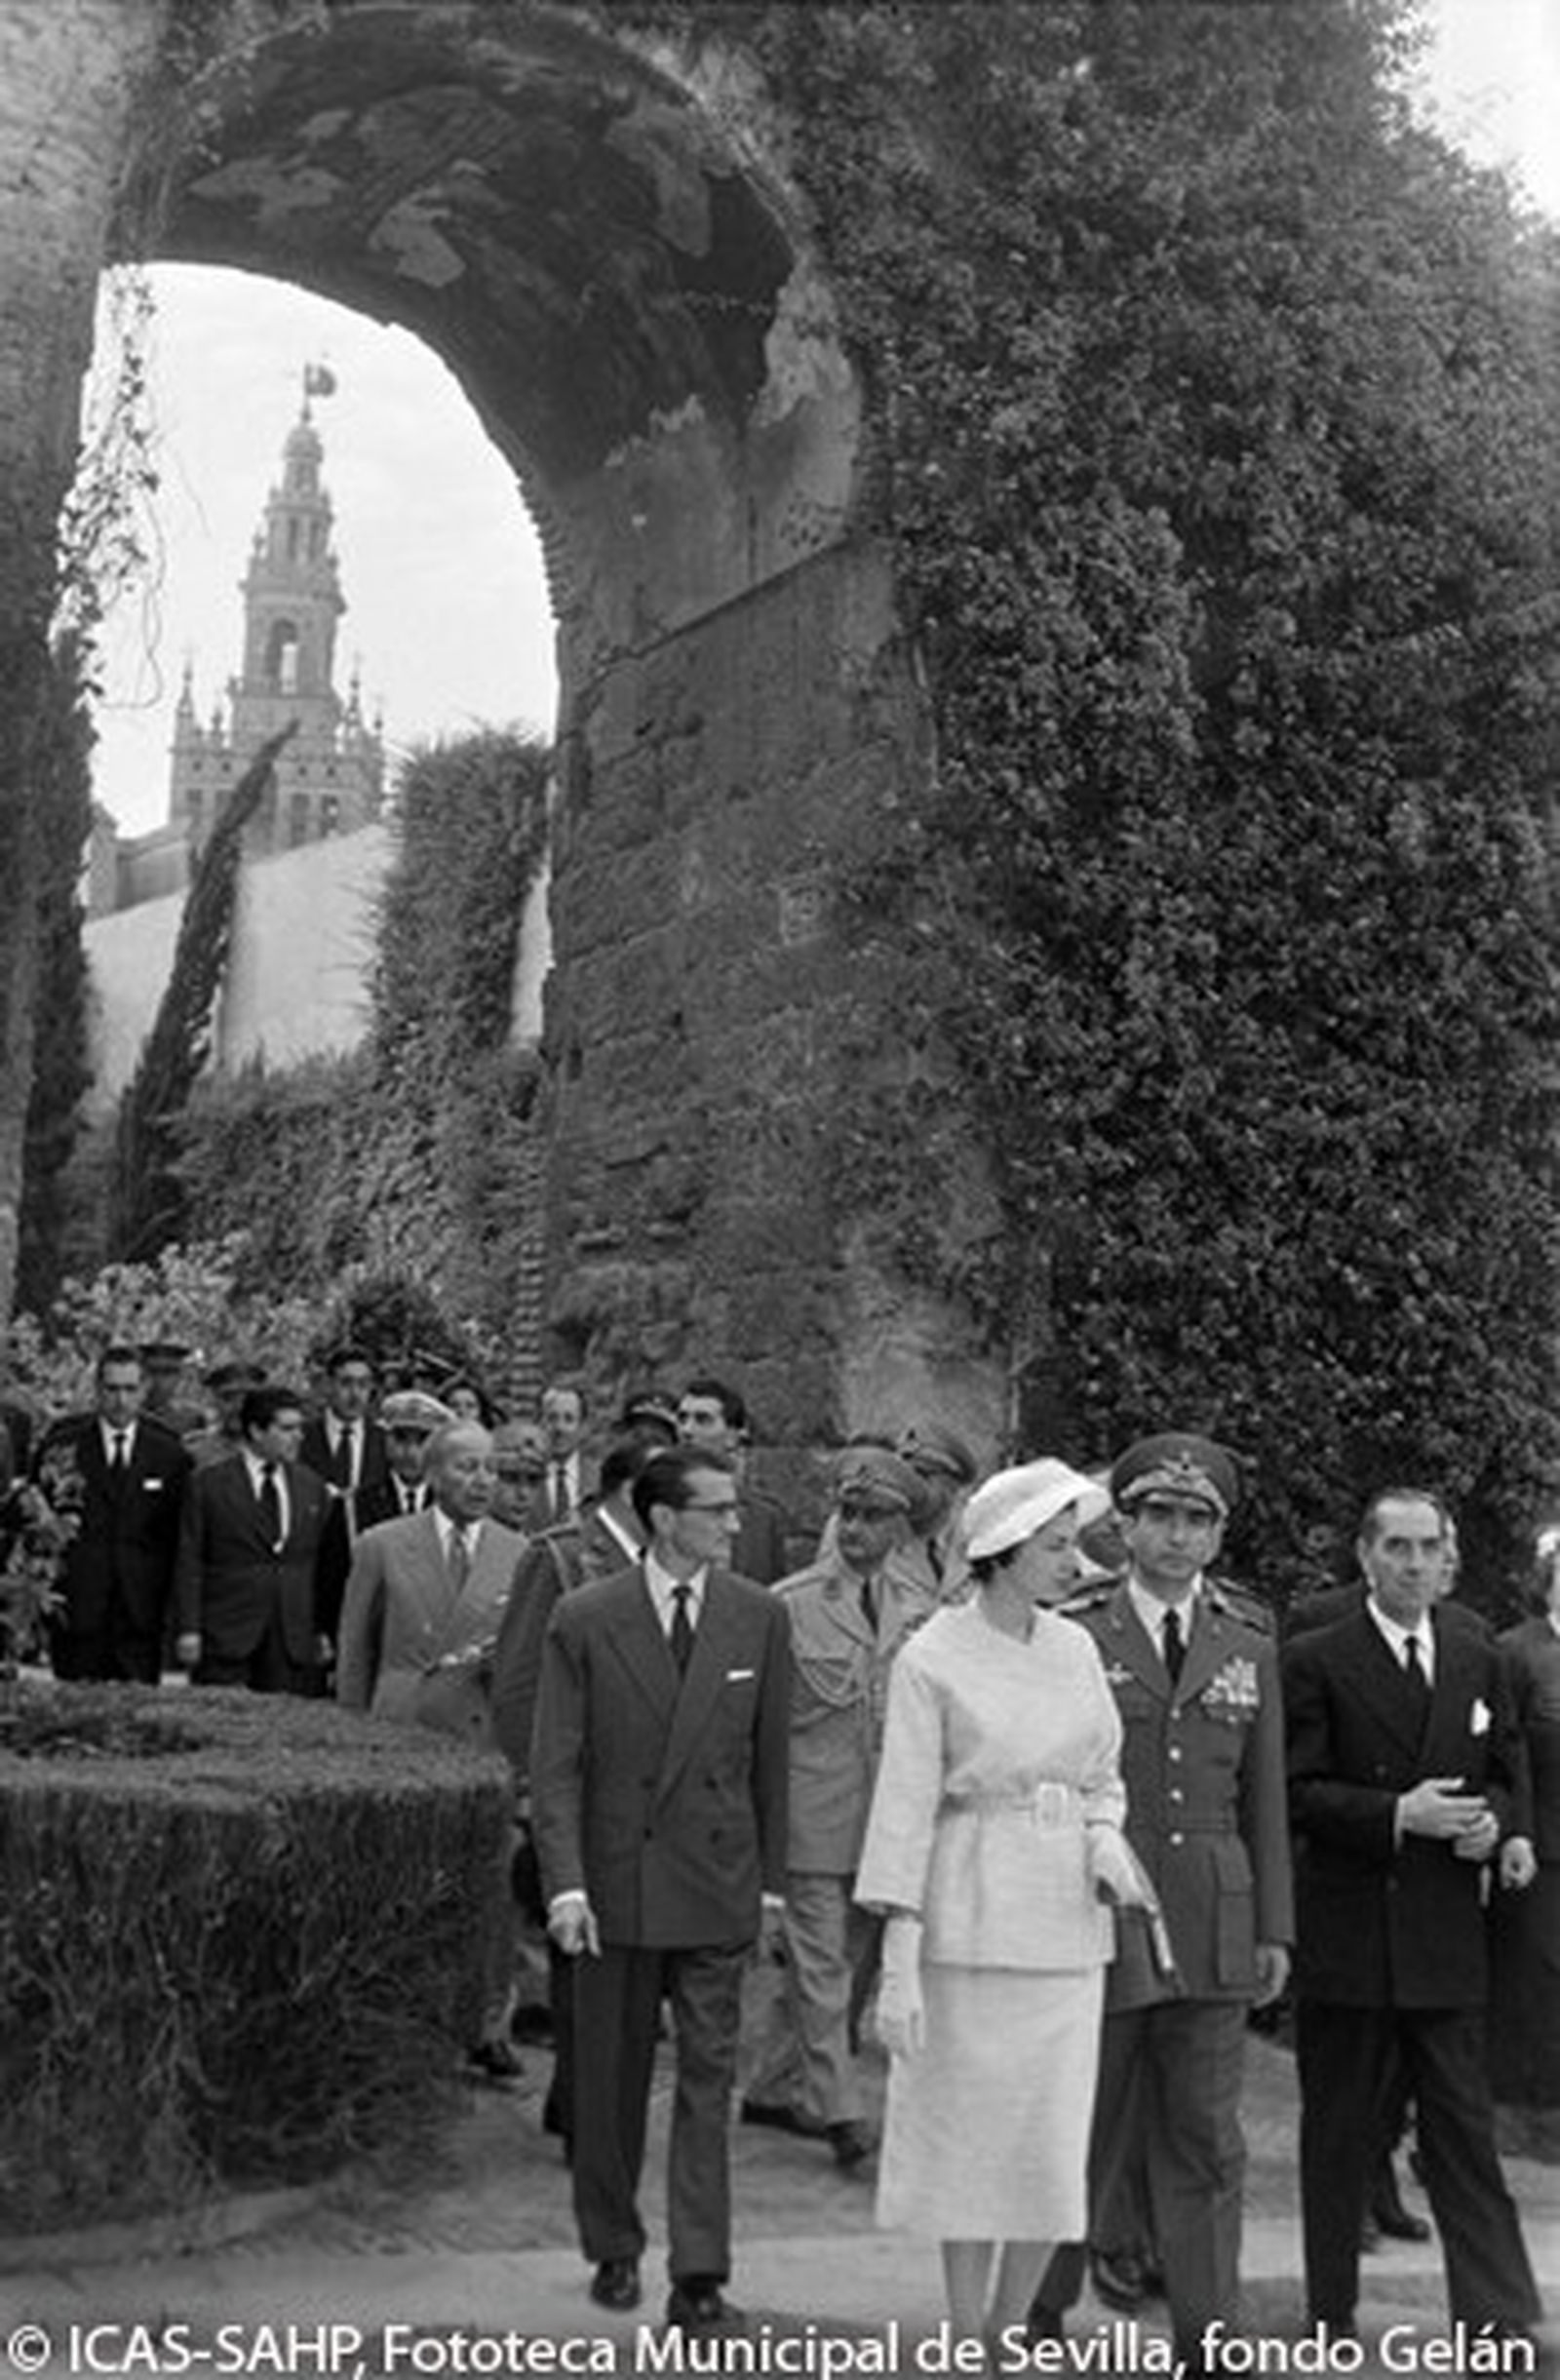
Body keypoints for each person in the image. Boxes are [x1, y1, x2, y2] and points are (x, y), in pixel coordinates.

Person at [853, 1458, 1148, 2356]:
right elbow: (903, 1808)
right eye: (1055, 1546)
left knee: (1044, 2148)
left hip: (1065, 1932)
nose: (1073, 1562)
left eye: (1074, 1544)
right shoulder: (932, 1655)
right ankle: (964, 2328)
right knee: (968, 2144)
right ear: (1005, 1551)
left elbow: (1104, 1770)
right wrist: (899, 1963)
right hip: (967, 1925)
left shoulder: (1075, 1647)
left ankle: (1009, 2330)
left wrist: (1103, 1831)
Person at [1030, 1431, 1292, 2369]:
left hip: (1214, 1918)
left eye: (1197, 1520)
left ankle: (1206, 2328)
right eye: (1159, 1516)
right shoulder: (1075, 1628)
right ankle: (1040, 2304)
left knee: (1207, 2136)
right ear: (1127, 1526)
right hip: (1096, 1907)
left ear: (1218, 1537)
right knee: (1077, 2122)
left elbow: (1266, 1798)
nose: (1177, 1537)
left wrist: (1274, 1929)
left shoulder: (1249, 1638)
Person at [529, 1445, 791, 2332]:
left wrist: (774, 1888)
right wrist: (565, 1885)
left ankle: (700, 2272)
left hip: (717, 1883)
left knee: (709, 2085)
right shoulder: (585, 1615)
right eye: (716, 1508)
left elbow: (771, 1769)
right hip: (615, 1888)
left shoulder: (759, 1615)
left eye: (734, 1506)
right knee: (607, 2082)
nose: (733, 1521)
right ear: (664, 1518)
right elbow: (555, 1766)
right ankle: (613, 2242)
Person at [1283, 1486, 1540, 2346]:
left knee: (1464, 2135)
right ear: (1365, 1555)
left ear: (1448, 1557)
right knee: (1341, 2138)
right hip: (1351, 1935)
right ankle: (1331, 2312)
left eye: (1429, 1547)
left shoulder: (1477, 1654)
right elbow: (1296, 1792)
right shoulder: (1317, 1655)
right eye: (1397, 1547)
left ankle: (1498, 2323)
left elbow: (1506, 1769)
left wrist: (1496, 1828)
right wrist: (1398, 1815)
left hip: (1444, 1940)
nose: (1415, 1563)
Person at [742, 1445, 933, 2165]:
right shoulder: (788, 1604)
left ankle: (768, 2084)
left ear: (901, 1529)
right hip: (809, 1816)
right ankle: (842, 2111)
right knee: (822, 1966)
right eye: (846, 1512)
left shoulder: (919, 1610)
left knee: (847, 1967)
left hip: (883, 1820)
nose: (854, 1526)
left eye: (873, 1515)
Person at [336, 1415, 527, 2083]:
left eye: (490, 1469)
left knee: (489, 1884)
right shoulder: (382, 1545)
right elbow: (355, 1653)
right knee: (403, 1881)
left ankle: (487, 2023)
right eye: (466, 1467)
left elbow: (528, 1668)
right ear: (431, 1471)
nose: (482, 1481)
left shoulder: (520, 1551)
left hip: (480, 1737)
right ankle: (396, 2017)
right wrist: (352, 1738)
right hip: (402, 1729)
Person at [31, 1345, 190, 1683]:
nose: (121, 1400)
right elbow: (39, 1525)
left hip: (141, 1609)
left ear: (144, 1390)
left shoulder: (168, 1452)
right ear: (97, 1390)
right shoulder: (64, 1447)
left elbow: (178, 1535)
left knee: (137, 1720)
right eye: (112, 1389)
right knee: (74, 1718)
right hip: (77, 1608)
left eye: (130, 1389)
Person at [174, 1384, 332, 1694]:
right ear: (257, 1431)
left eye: (299, 1428)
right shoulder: (209, 1485)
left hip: (292, 1637)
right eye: (286, 1428)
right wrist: (188, 1629)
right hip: (226, 1634)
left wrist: (322, 1629)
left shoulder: (311, 1486)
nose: (298, 1436)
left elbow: (322, 1564)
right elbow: (189, 1559)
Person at [1488, 1526, 1560, 2114]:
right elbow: (1505, 1754)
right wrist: (1517, 1832)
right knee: (1531, 1982)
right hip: (1540, 1848)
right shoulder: (1517, 1651)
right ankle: (1518, 2114)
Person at [316, 1388, 453, 1658]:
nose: (411, 1452)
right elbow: (332, 1587)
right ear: (386, 1442)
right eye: (401, 1439)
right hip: (372, 1648)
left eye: (422, 1440)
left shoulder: (451, 1506)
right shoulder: (352, 1506)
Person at [678, 1376, 790, 1585]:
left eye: (702, 1420)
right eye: (682, 1419)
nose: (687, 1430)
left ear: (732, 1435)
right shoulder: (656, 1505)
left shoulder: (764, 1519)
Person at [299, 1345, 389, 1502]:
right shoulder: (302, 1437)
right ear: (328, 1384)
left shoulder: (384, 1441)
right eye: (346, 1383)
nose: (355, 1394)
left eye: (363, 1384)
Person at [530, 1379, 595, 1529]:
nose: (559, 1428)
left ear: (583, 1427)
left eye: (569, 1419)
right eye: (552, 1418)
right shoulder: (524, 1478)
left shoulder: (599, 1480)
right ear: (539, 1423)